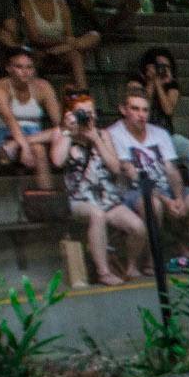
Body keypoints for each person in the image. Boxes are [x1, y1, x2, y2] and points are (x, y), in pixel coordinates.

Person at [108, 88, 189, 261]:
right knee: (154, 205)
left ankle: (182, 243)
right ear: (123, 109)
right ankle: (151, 258)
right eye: (135, 109)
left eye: (145, 110)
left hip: (164, 189)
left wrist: (178, 198)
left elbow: (171, 171)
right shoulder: (114, 134)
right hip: (133, 192)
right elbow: (134, 177)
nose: (141, 115)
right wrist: (167, 201)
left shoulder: (159, 133)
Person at [52, 92, 142, 285]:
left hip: (106, 197)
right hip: (79, 199)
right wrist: (69, 132)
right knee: (97, 215)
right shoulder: (61, 133)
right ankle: (104, 272)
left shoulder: (103, 135)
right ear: (70, 114)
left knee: (138, 227)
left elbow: (115, 168)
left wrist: (96, 139)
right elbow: (57, 161)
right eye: (81, 113)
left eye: (90, 112)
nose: (87, 117)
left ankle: (130, 265)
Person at [135, 47, 189, 197]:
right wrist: (151, 82)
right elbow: (143, 108)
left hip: (167, 138)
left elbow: (168, 109)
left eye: (167, 67)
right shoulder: (138, 83)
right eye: (159, 66)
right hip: (143, 138)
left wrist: (159, 84)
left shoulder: (172, 86)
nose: (163, 69)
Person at [0, 46, 60, 191]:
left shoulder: (43, 86)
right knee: (38, 150)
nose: (25, 71)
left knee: (61, 131)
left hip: (36, 135)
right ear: (8, 67)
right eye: (19, 67)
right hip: (6, 135)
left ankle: (45, 195)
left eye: (29, 67)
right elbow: (9, 119)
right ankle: (47, 196)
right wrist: (24, 146)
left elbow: (58, 122)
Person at [20, 0, 100, 92]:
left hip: (62, 49)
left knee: (93, 37)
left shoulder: (61, 3)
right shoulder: (26, 2)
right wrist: (62, 43)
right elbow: (34, 38)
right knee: (74, 52)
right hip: (41, 50)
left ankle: (82, 95)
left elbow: (69, 35)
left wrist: (64, 46)